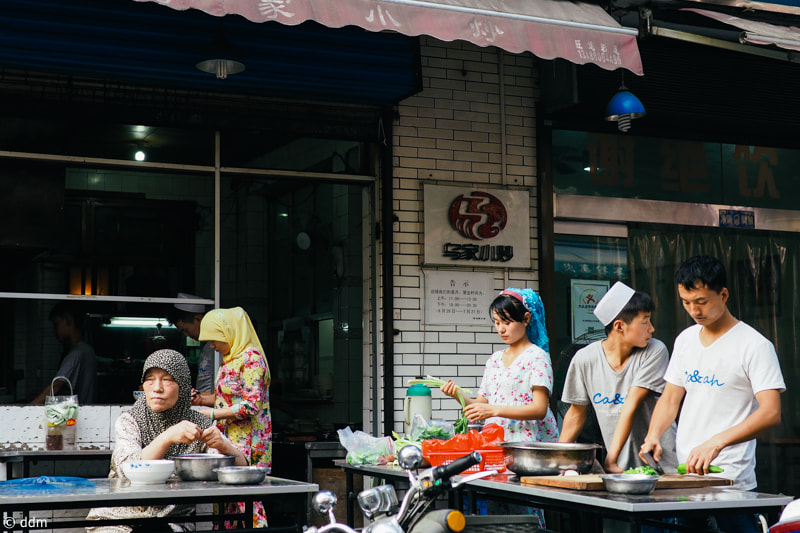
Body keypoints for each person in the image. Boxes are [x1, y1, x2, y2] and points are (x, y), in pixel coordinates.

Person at [641, 255, 785, 533]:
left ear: (724, 294)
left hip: (731, 481)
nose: (694, 310)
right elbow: (671, 398)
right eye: (686, 302)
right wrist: (653, 436)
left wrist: (716, 443)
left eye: (702, 301)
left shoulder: (754, 345)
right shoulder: (685, 340)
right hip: (686, 479)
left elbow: (771, 412)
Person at [86, 349, 246, 533]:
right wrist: (168, 436)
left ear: (184, 386)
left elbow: (241, 467)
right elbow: (127, 469)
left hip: (172, 521)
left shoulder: (198, 424)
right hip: (118, 518)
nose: (157, 388)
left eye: (168, 379)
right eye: (150, 379)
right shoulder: (130, 420)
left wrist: (223, 444)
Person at [559, 281, 678, 474]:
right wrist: (558, 462)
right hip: (621, 470)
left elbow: (631, 402)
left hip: (661, 465)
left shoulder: (655, 351)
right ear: (619, 326)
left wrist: (610, 460)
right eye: (645, 321)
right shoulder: (585, 359)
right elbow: (575, 413)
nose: (652, 328)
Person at [440, 288, 559, 443]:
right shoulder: (494, 360)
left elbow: (539, 409)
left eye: (507, 322)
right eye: (497, 322)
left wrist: (493, 410)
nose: (501, 329)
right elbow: (481, 405)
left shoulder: (537, 357)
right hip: (496, 440)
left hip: (528, 444)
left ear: (526, 319)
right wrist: (457, 394)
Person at [198, 307, 271, 528]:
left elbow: (251, 404)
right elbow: (225, 399)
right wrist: (201, 400)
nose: (212, 346)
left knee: (248, 502)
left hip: (249, 444)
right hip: (226, 439)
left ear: (229, 333)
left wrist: (212, 414)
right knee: (226, 503)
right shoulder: (229, 359)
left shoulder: (252, 360)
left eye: (214, 340)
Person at [30, 302, 97, 404]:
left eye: (56, 324)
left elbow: (56, 386)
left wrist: (29, 407)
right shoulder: (88, 350)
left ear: (68, 320)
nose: (54, 331)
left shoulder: (76, 353)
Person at [166, 292, 217, 406]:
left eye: (186, 330)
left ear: (198, 319)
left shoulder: (217, 346)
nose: (186, 335)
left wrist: (200, 399)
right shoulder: (208, 346)